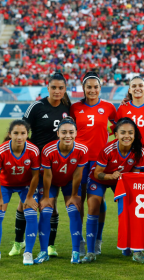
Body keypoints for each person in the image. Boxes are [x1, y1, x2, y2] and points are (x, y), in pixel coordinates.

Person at [9, 73, 71, 258]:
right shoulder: (37, 106)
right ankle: (18, 242)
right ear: (48, 88)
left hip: (54, 164)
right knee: (24, 202)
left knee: (51, 204)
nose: (57, 91)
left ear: (65, 89)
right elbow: (21, 130)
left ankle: (50, 245)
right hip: (35, 164)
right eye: (54, 87)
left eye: (61, 88)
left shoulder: (67, 107)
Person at [82, 117, 144, 263]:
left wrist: (125, 178)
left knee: (131, 210)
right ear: (116, 135)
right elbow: (98, 173)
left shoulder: (139, 151)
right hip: (99, 179)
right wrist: (111, 175)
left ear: (135, 134)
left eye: (130, 132)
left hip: (121, 181)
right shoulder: (108, 149)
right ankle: (91, 250)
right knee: (93, 208)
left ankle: (133, 248)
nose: (127, 136)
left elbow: (135, 175)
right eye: (123, 132)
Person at [70, 71, 117, 255]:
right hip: (80, 161)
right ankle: (81, 239)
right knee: (79, 199)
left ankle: (97, 239)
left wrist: (109, 136)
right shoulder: (75, 108)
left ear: (100, 88)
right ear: (83, 88)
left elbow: (119, 126)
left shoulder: (108, 107)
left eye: (95, 87)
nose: (92, 90)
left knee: (97, 200)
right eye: (88, 87)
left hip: (100, 161)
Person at [37, 117, 88, 264]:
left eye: (71, 132)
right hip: (51, 182)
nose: (67, 135)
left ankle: (76, 252)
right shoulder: (48, 149)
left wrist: (73, 195)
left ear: (76, 133)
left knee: (74, 209)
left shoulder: (82, 149)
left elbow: (78, 174)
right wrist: (46, 197)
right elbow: (47, 175)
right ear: (58, 133)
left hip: (69, 182)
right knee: (46, 211)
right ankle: (43, 251)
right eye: (64, 132)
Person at [0, 120, 41, 265]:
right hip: (4, 186)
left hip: (25, 186)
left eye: (23, 133)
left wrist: (29, 197)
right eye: (16, 133)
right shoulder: (2, 150)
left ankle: (28, 252)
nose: (19, 137)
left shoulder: (33, 150)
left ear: (27, 134)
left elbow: (36, 175)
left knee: (31, 215)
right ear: (10, 134)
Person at [116, 76, 144, 144]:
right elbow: (115, 128)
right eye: (134, 86)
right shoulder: (123, 107)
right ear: (129, 90)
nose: (137, 88)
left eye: (140, 85)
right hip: (129, 151)